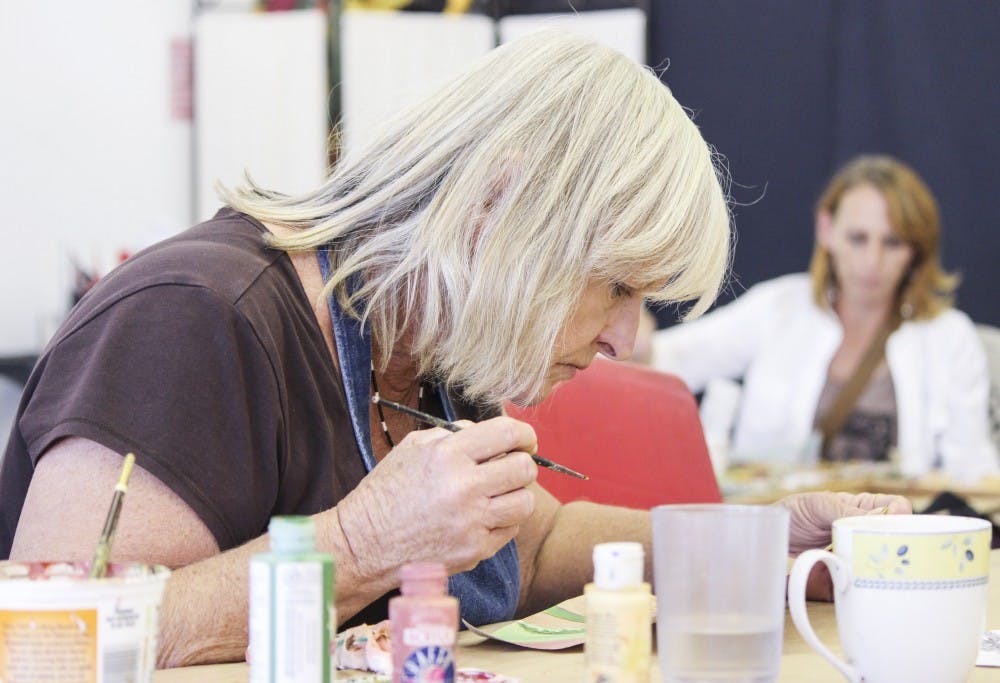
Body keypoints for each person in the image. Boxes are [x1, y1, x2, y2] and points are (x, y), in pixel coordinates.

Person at [0, 32, 907, 667]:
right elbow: (55, 633)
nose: (625, 339)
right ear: (494, 212)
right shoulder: (194, 320)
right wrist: (362, 540)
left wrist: (760, 545)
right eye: (617, 285)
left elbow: (532, 539)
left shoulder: (430, 336)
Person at [648, 155, 998, 480]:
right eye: (858, 238)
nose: (872, 261)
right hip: (783, 531)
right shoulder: (778, 308)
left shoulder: (951, 338)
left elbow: (972, 472)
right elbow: (668, 358)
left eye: (893, 242)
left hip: (897, 537)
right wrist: (632, 333)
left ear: (917, 249)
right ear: (826, 228)